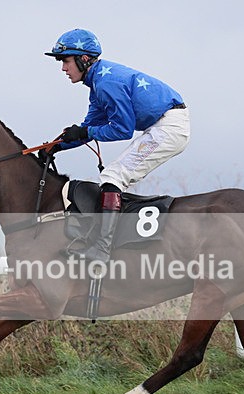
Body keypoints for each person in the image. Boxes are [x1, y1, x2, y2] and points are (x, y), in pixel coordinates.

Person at [44, 28, 190, 263]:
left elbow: (122, 129)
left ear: (84, 59)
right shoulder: (98, 84)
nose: (62, 68)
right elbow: (88, 128)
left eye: (65, 60)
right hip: (161, 125)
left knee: (113, 175)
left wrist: (85, 131)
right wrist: (58, 145)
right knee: (113, 175)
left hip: (169, 128)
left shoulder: (106, 83)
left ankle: (102, 249)